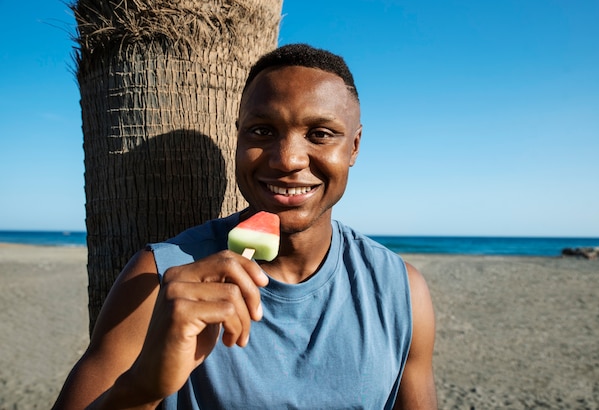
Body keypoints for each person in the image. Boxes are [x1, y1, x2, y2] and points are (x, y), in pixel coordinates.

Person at [53, 43, 437, 409]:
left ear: (353, 147)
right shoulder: (158, 279)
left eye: (320, 134)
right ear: (237, 136)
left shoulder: (400, 290)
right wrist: (143, 387)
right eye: (262, 131)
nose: (287, 159)